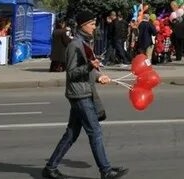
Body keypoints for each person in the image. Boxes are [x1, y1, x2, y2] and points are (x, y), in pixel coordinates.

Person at [43, 12, 127, 179]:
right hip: (79, 94)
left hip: (82, 91)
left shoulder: (84, 43)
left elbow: (87, 70)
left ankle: (50, 167)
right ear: (83, 25)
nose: (94, 27)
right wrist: (90, 66)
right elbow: (72, 73)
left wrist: (98, 76)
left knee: (72, 133)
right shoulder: (75, 45)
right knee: (95, 131)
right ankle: (106, 170)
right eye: (92, 24)